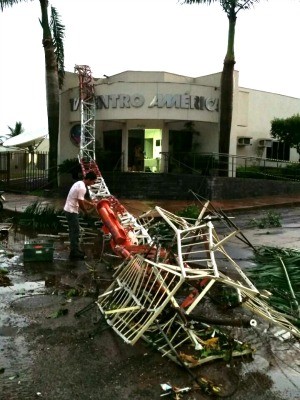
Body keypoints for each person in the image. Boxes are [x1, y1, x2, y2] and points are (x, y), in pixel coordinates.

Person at [64, 170, 97, 259]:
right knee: (75, 231)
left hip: (69, 209)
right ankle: (74, 252)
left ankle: (75, 249)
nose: (93, 183)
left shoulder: (79, 183)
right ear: (89, 179)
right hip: (71, 211)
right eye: (93, 181)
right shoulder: (83, 188)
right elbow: (80, 202)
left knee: (74, 231)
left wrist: (90, 204)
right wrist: (86, 212)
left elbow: (81, 199)